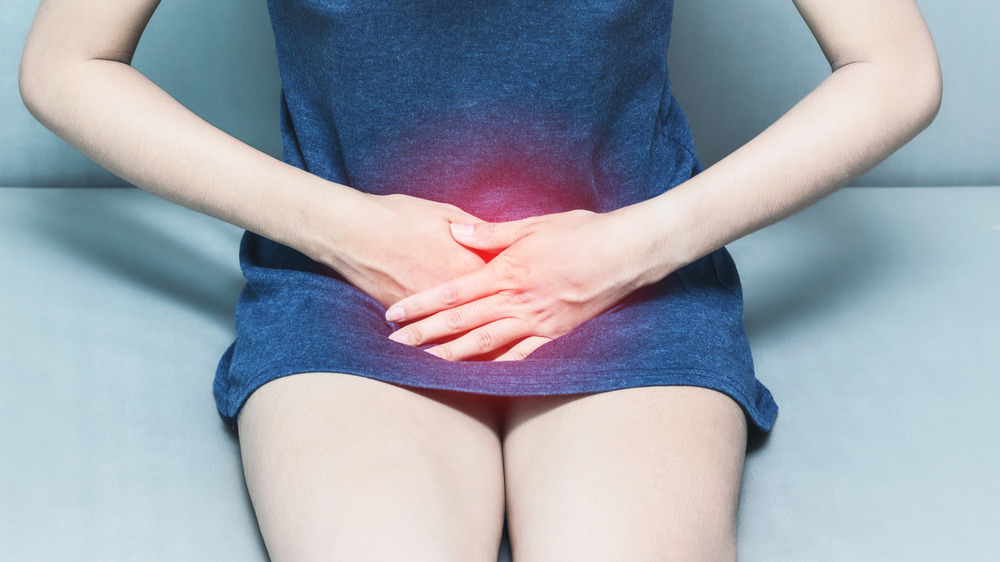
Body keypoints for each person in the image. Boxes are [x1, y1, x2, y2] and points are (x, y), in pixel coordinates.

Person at [19, 0, 940, 560]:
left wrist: (630, 248)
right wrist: (348, 233)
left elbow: (893, 69)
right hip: (353, 292)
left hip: (629, 286)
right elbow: (67, 63)